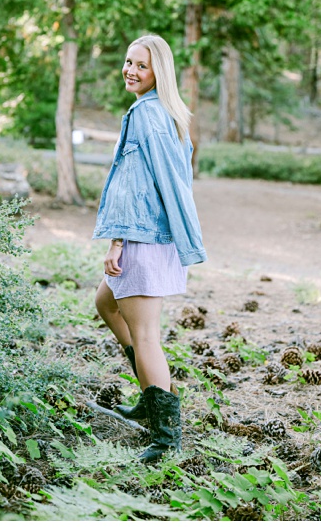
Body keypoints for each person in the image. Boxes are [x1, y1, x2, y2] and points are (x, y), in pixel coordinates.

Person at [92, 33, 207, 464]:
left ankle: (165, 435)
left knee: (145, 335)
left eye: (141, 65)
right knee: (105, 303)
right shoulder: (166, 113)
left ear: (159, 71)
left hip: (143, 237)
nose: (130, 70)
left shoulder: (148, 115)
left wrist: (118, 241)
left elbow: (140, 184)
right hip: (153, 235)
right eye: (127, 62)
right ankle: (149, 392)